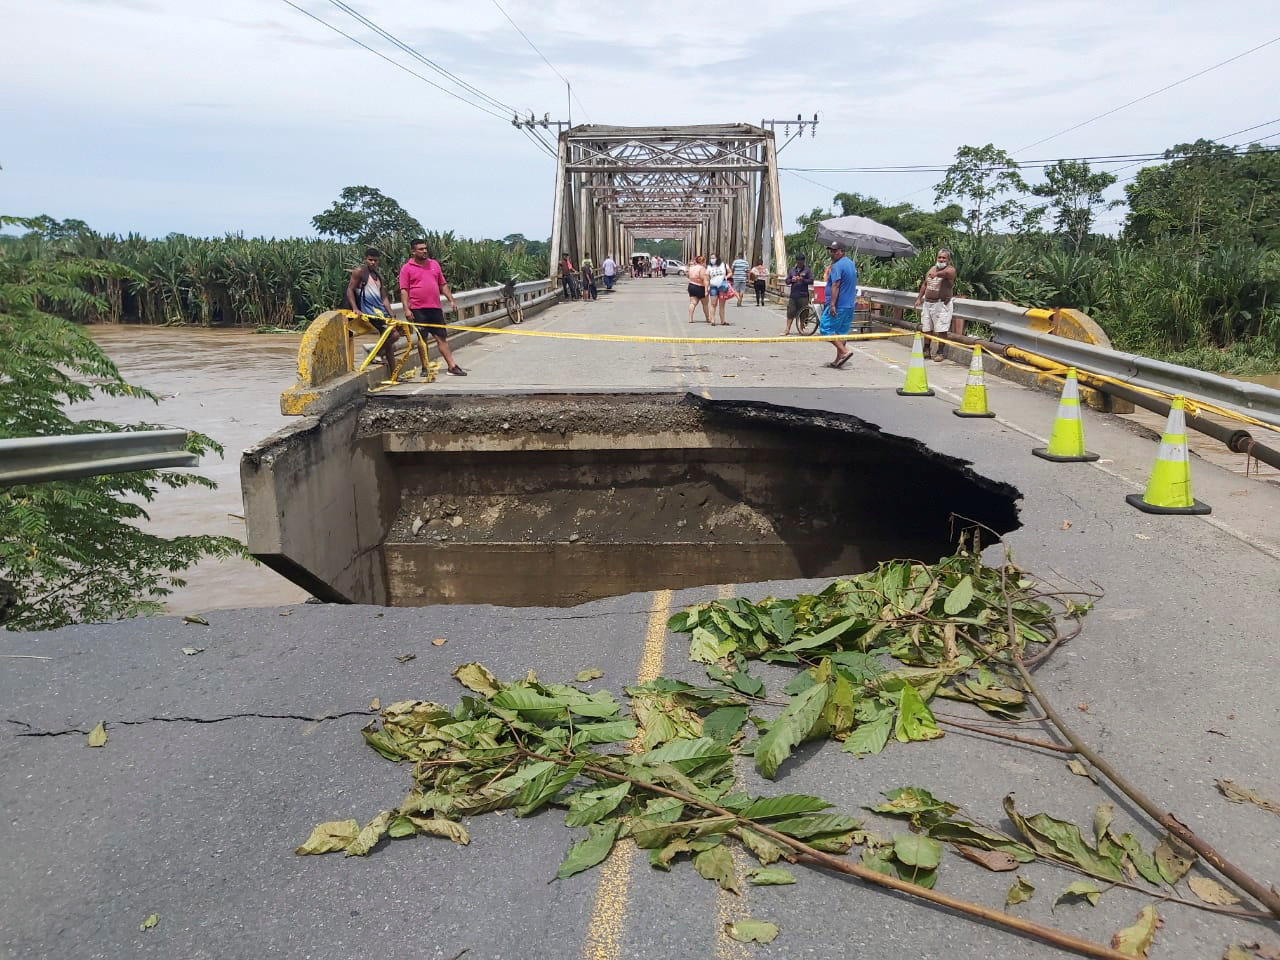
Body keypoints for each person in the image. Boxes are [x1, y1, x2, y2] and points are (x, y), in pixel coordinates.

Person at [400, 238, 466, 376]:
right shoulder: (407, 268)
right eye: (421, 249)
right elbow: (404, 290)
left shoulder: (434, 264)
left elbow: (443, 284)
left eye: (425, 248)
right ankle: (424, 367)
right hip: (418, 309)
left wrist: (451, 300)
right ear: (413, 251)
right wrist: (406, 309)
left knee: (441, 338)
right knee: (422, 339)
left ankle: (452, 366)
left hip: (435, 308)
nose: (424, 251)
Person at [346, 247, 399, 374]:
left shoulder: (378, 276)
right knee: (394, 335)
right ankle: (375, 353)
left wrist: (390, 313)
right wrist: (355, 308)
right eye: (370, 260)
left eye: (375, 260)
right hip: (369, 312)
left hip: (380, 312)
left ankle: (394, 375)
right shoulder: (360, 272)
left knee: (390, 343)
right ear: (365, 259)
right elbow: (350, 290)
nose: (373, 263)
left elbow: (384, 296)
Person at [913, 248, 957, 361]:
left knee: (941, 330)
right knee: (926, 328)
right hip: (928, 303)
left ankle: (940, 352)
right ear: (936, 258)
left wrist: (937, 274)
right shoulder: (931, 269)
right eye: (939, 257)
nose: (941, 259)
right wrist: (919, 298)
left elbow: (948, 273)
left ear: (948, 260)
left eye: (944, 257)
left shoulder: (950, 270)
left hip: (941, 304)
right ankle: (926, 350)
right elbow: (924, 284)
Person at [820, 241, 856, 369]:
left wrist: (833, 304)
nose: (832, 253)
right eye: (831, 251)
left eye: (835, 251)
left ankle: (845, 352)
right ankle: (838, 359)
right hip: (849, 304)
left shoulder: (837, 266)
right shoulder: (851, 264)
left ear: (842, 251)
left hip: (839, 304)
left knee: (825, 329)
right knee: (840, 333)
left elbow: (836, 284)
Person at [783, 254, 813, 335]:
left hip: (803, 295)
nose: (800, 263)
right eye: (798, 261)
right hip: (793, 295)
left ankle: (801, 329)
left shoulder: (807, 270)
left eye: (801, 261)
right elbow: (787, 281)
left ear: (803, 261)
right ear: (796, 261)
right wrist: (792, 280)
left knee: (803, 313)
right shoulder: (792, 270)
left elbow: (811, 280)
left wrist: (802, 279)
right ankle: (787, 329)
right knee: (790, 312)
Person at [706, 254, 729, 326]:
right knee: (713, 304)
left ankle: (722, 320)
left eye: (713, 258)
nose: (712, 260)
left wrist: (726, 277)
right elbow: (707, 279)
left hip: (722, 286)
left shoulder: (724, 265)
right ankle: (712, 320)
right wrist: (706, 289)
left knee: (722, 304)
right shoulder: (709, 267)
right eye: (711, 258)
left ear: (717, 258)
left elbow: (730, 272)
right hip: (713, 286)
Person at [686, 255, 711, 323]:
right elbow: (704, 280)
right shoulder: (702, 269)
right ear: (703, 262)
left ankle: (690, 318)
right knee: (705, 304)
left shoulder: (692, 268)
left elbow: (688, 275)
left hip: (691, 285)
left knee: (692, 303)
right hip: (700, 287)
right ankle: (708, 318)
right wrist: (706, 290)